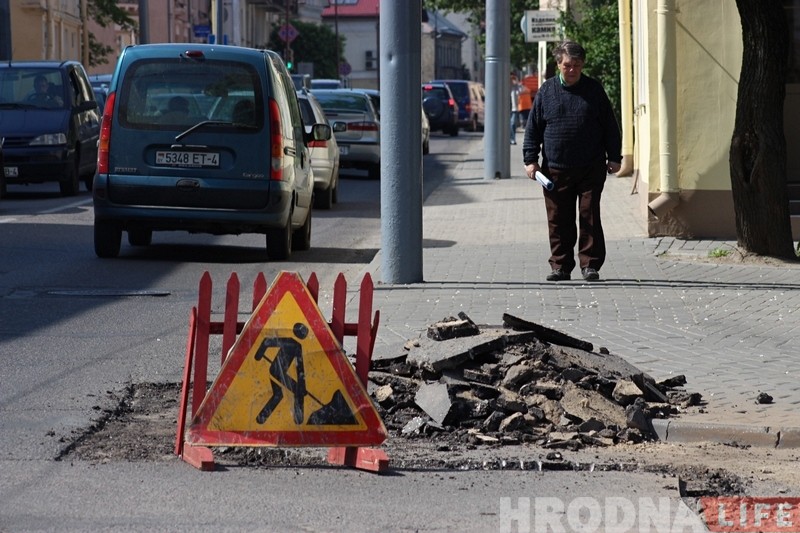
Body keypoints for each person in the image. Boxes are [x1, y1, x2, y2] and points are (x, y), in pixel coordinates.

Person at [522, 41, 621, 282]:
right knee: (558, 219)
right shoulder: (547, 91)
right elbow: (533, 128)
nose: (572, 69)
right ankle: (561, 266)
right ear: (558, 65)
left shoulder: (594, 90)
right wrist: (530, 160)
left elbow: (610, 126)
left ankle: (590, 265)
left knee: (589, 216)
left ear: (582, 65)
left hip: (590, 166)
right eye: (567, 65)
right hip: (555, 169)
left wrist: (615, 157)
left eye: (576, 65)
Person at [509, 74, 521, 145]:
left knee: (512, 123)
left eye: (513, 79)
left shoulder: (516, 87)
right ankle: (508, 138)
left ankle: (512, 139)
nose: (512, 80)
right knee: (507, 124)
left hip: (514, 108)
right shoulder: (505, 86)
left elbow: (521, 90)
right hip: (506, 108)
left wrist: (517, 83)